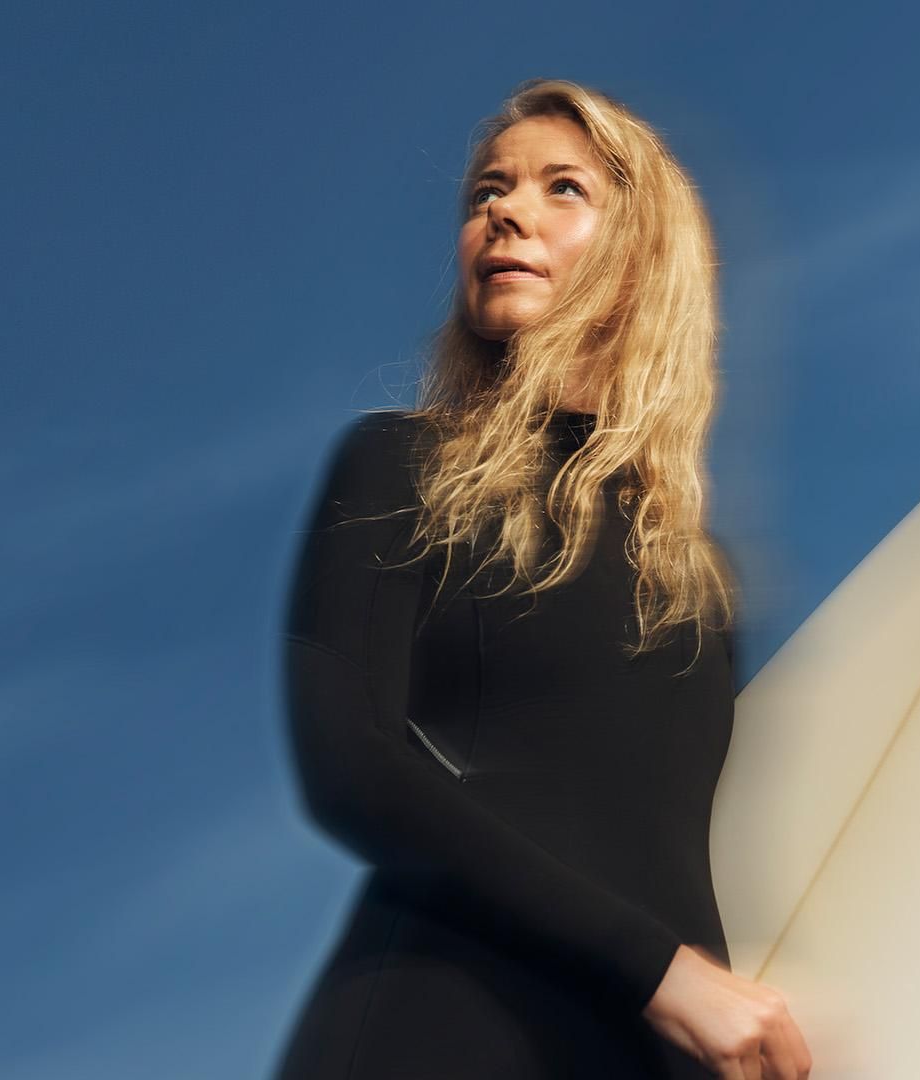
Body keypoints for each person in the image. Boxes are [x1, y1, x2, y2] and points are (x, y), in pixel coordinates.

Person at [271, 78, 813, 1079]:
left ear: (641, 250)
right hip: (441, 1032)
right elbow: (350, 766)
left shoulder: (697, 577)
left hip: (649, 1050)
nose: (505, 213)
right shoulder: (403, 467)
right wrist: (661, 973)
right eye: (488, 190)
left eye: (563, 187)